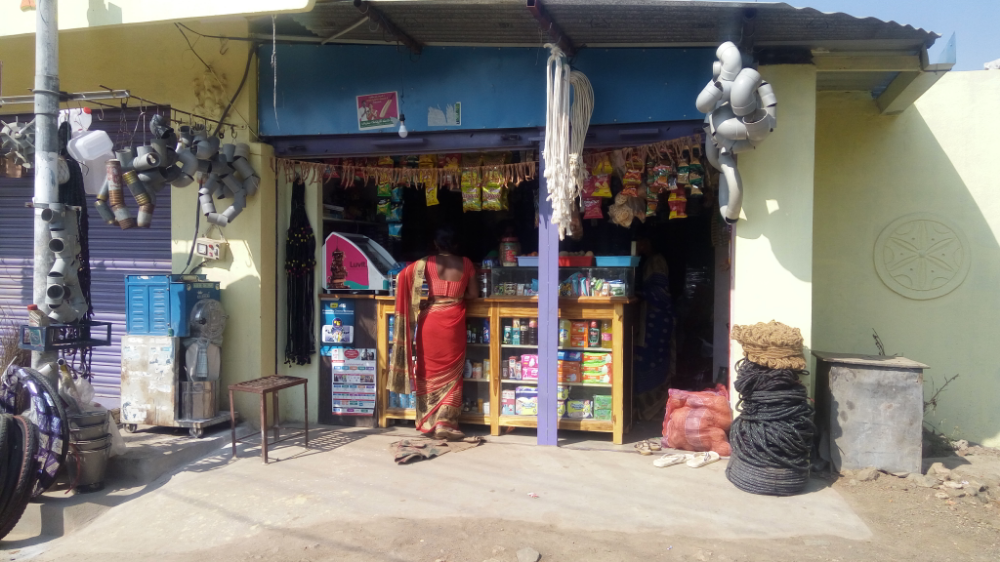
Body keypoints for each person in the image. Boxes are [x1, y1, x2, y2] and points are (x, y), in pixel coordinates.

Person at [388, 226, 478, 441]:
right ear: (456, 243)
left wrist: (419, 298)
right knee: (453, 374)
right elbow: (474, 294)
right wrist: (457, 294)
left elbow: (401, 277)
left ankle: (431, 420)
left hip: (431, 321)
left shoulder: (425, 263)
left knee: (428, 371)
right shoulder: (466, 263)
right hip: (454, 322)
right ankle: (445, 423)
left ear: (436, 244)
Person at [632, 231, 675, 421]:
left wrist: (638, 293)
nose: (638, 246)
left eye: (640, 242)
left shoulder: (656, 261)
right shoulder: (649, 260)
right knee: (646, 360)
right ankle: (647, 409)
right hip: (651, 319)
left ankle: (655, 409)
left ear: (647, 241)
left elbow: (660, 292)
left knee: (653, 360)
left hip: (656, 321)